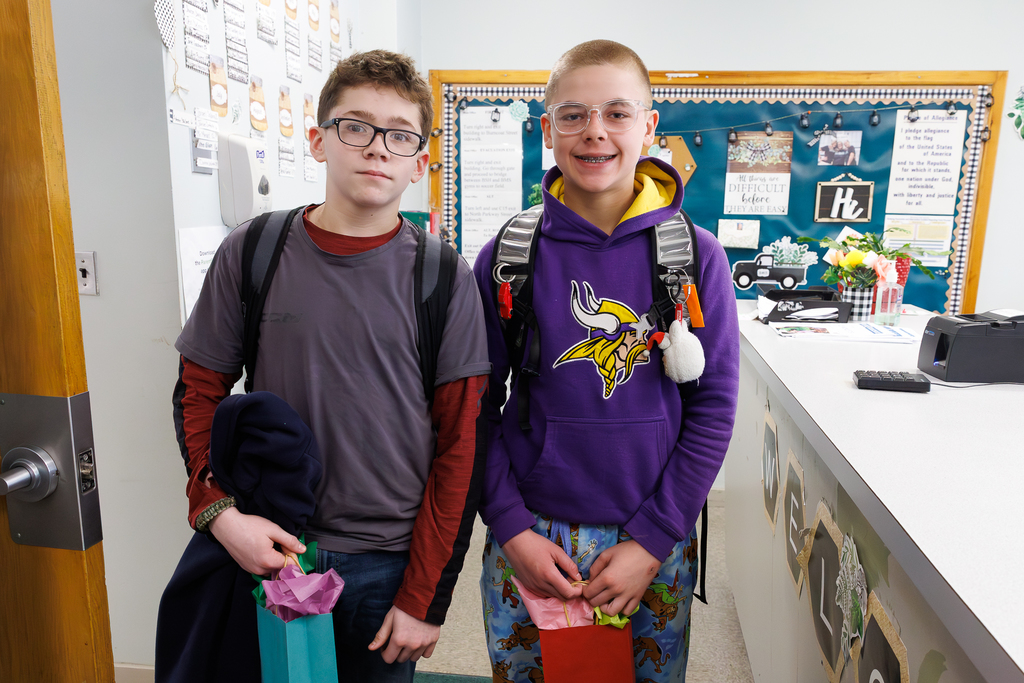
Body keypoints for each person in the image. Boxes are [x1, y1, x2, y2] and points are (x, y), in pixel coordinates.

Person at [172, 49, 490, 682]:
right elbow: (197, 390)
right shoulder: (255, 250)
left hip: (388, 562)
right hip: (277, 544)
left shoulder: (443, 277)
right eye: (357, 127)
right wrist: (219, 514)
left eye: (400, 135)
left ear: (420, 162)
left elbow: (463, 444)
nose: (378, 148)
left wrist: (425, 595)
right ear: (319, 141)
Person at [472, 40, 740, 682]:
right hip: (532, 537)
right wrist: (510, 528)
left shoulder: (695, 257)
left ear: (650, 126)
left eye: (617, 113)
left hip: (652, 534)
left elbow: (714, 406)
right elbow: (474, 406)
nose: (595, 132)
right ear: (547, 129)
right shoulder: (508, 255)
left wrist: (653, 539)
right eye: (573, 114)